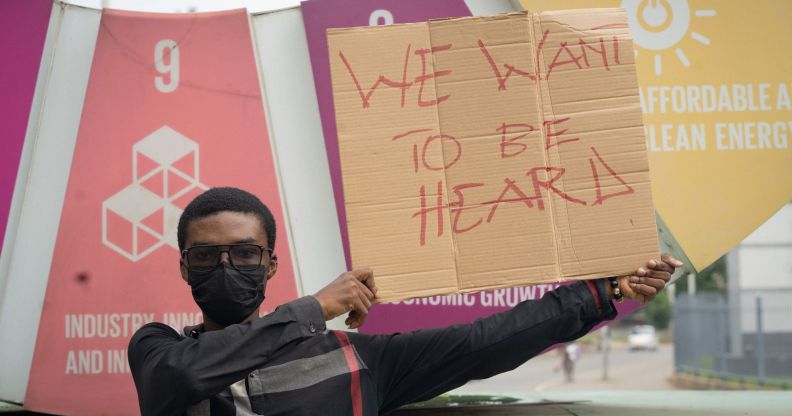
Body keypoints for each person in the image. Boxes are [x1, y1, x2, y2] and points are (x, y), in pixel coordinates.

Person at [128, 187, 682, 416]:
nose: (226, 268)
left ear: (271, 264)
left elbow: (485, 342)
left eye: (246, 255)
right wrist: (313, 309)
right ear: (183, 266)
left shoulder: (356, 359)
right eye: (206, 256)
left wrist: (600, 292)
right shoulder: (158, 351)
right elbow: (175, 382)